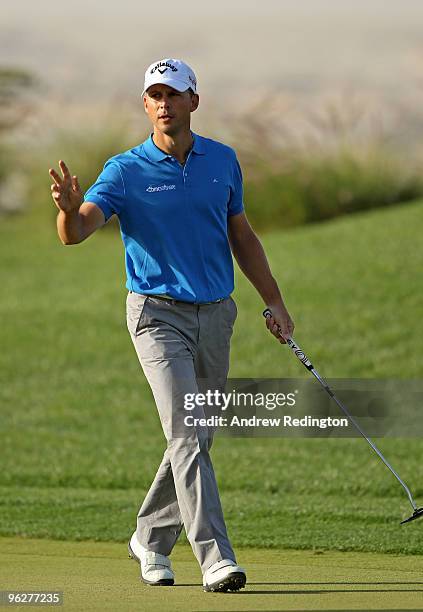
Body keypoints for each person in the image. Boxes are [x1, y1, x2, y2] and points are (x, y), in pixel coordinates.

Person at [49, 58, 294, 593]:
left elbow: (243, 237)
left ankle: (150, 538)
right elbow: (77, 231)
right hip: (157, 316)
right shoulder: (124, 170)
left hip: (217, 315)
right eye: (154, 95)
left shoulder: (223, 161)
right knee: (186, 431)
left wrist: (273, 301)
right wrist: (69, 210)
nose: (164, 103)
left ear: (194, 102)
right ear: (145, 105)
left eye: (174, 94)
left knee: (198, 435)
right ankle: (215, 559)